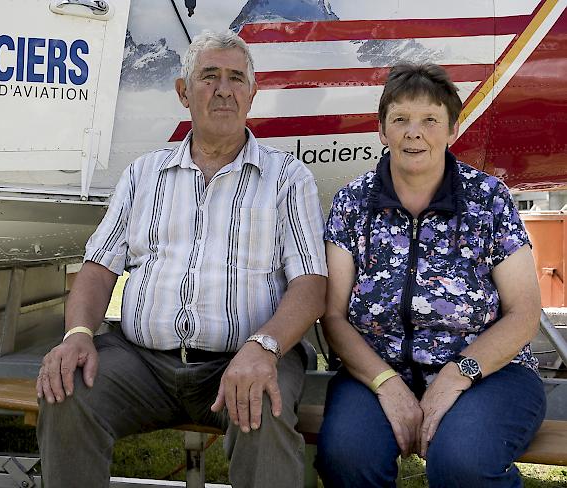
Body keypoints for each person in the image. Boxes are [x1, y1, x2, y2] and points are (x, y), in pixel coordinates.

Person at [35, 30, 327, 488]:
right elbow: (98, 267)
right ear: (183, 92)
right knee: (66, 390)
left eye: (236, 78)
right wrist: (77, 335)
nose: (224, 89)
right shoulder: (143, 174)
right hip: (142, 362)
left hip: (243, 356)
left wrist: (264, 347)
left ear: (253, 92)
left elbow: (310, 286)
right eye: (209, 77)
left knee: (263, 408)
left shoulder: (287, 178)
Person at [315, 63, 546, 487]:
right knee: (348, 458)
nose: (413, 132)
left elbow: (525, 312)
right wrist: (385, 383)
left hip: (488, 373)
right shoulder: (352, 203)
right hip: (375, 371)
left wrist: (457, 375)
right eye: (400, 119)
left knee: (463, 463)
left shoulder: (489, 200)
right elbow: (333, 316)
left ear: (452, 130)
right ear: (382, 130)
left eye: (429, 120)